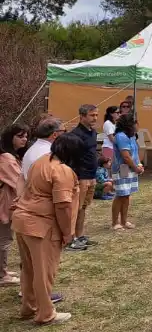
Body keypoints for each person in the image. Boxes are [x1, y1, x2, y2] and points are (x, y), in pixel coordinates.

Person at [12, 133, 83, 325]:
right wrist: (68, 233)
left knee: (29, 269)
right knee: (44, 272)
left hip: (23, 220)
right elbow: (63, 205)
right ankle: (46, 314)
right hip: (41, 225)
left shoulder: (40, 161)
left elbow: (25, 183)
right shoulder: (61, 170)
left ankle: (29, 307)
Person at [0, 123, 28, 287]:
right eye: (20, 136)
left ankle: (2, 270)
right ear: (10, 138)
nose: (24, 139)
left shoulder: (10, 156)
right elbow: (18, 181)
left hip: (7, 202)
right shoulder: (7, 159)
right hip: (4, 204)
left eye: (25, 136)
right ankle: (2, 275)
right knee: (4, 240)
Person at [68, 104, 99, 252]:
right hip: (81, 177)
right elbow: (72, 158)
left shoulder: (93, 132)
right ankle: (71, 238)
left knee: (84, 207)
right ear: (82, 116)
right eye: (92, 115)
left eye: (96, 115)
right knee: (76, 208)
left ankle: (79, 235)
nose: (95, 118)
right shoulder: (75, 135)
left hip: (92, 175)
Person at [111, 113, 143, 230]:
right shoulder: (121, 136)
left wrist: (139, 165)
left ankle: (124, 221)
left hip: (131, 168)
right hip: (122, 169)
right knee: (120, 195)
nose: (137, 125)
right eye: (135, 122)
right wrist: (135, 168)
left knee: (126, 195)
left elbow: (135, 153)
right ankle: (115, 222)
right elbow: (126, 156)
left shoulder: (132, 136)